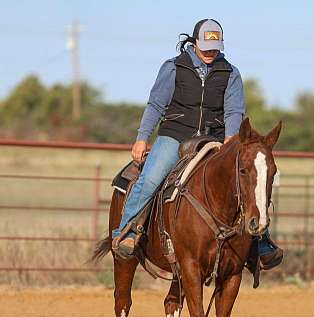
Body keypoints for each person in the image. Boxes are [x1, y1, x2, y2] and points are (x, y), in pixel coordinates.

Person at [112, 18, 283, 269]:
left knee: (247, 179)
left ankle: (260, 239)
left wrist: (230, 138)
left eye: (215, 48)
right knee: (150, 178)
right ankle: (128, 230)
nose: (210, 53)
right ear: (194, 43)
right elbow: (156, 105)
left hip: (214, 138)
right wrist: (141, 137)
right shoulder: (173, 68)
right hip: (176, 135)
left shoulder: (230, 73)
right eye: (206, 47)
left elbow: (234, 110)